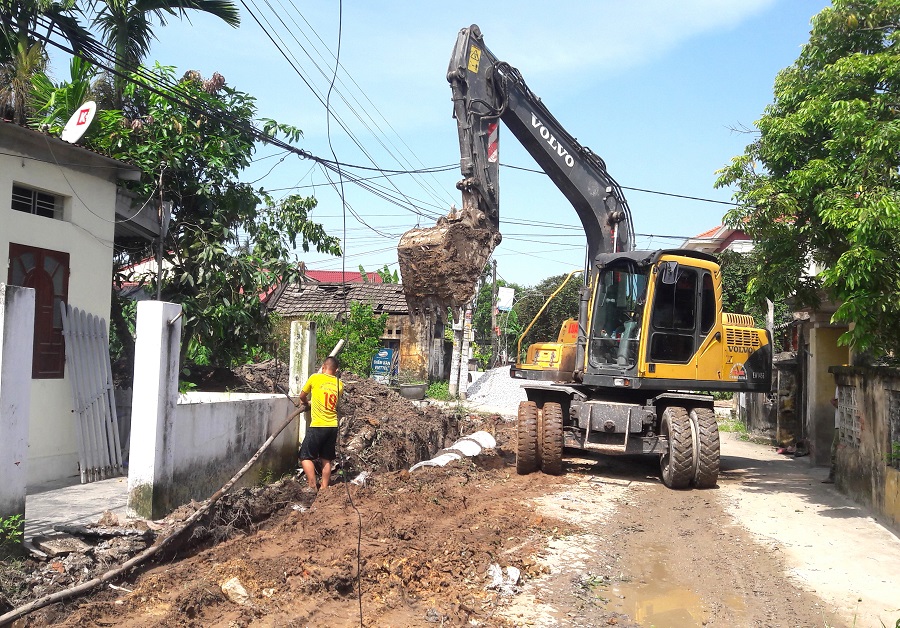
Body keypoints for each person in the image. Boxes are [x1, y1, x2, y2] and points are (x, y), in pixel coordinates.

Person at [298, 356, 343, 492]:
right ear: (336, 370)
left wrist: (306, 402)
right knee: (326, 458)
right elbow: (327, 399)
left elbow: (302, 396)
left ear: (323, 367)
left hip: (318, 425)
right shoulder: (339, 384)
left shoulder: (315, 378)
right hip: (333, 426)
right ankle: (324, 487)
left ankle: (312, 485)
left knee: (304, 456)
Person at [823, 386, 839, 484]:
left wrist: (833, 402)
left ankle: (833, 475)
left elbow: (838, 403)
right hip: (841, 422)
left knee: (834, 449)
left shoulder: (839, 387)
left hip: (842, 423)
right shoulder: (838, 387)